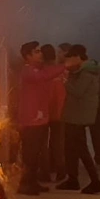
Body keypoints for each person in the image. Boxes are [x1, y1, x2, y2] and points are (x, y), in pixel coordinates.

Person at [17, 41, 65, 195]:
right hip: (31, 120)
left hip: (41, 118)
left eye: (40, 51)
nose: (40, 54)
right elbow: (44, 76)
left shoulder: (39, 69)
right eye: (36, 52)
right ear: (28, 56)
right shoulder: (28, 71)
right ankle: (25, 184)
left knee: (36, 153)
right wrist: (65, 66)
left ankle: (32, 182)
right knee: (30, 154)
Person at [58, 45, 100, 194]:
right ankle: (72, 179)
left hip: (79, 116)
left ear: (78, 57)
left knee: (81, 149)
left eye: (70, 58)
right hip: (73, 115)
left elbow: (78, 91)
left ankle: (95, 182)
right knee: (70, 149)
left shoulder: (87, 73)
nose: (68, 61)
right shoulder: (79, 71)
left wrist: (65, 80)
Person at [40, 44, 66, 182]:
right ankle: (61, 171)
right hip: (60, 112)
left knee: (42, 143)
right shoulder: (61, 71)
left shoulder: (41, 72)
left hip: (44, 112)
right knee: (58, 143)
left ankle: (44, 172)